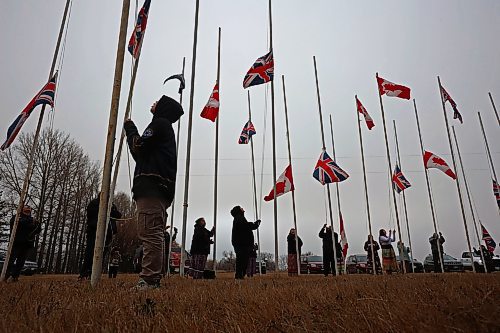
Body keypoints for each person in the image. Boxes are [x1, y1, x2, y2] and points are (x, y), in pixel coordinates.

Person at [124, 95, 183, 290]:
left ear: (164, 108)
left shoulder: (160, 123)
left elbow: (138, 147)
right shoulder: (163, 126)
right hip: (157, 188)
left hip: (152, 187)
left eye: (158, 101)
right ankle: (151, 279)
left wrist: (130, 128)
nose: (153, 103)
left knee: (150, 233)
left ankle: (149, 281)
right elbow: (140, 154)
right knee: (151, 232)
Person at [79, 194, 121, 280]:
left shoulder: (112, 205)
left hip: (107, 234)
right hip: (94, 233)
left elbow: (118, 215)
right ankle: (85, 273)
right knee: (90, 253)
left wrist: (110, 210)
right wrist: (105, 211)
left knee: (102, 254)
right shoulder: (94, 203)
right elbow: (92, 216)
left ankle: (95, 274)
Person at [5, 205, 41, 282]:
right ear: (22, 210)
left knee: (21, 262)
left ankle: (15, 277)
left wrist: (37, 224)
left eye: (29, 211)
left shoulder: (32, 219)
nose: (28, 212)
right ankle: (6, 276)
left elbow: (37, 230)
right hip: (15, 243)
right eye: (26, 211)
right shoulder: (16, 217)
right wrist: (30, 222)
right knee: (10, 261)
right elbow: (19, 223)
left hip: (26, 244)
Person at [231, 206, 261, 279]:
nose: (243, 209)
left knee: (242, 261)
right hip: (242, 244)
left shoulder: (239, 218)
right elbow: (246, 226)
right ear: (239, 210)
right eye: (241, 208)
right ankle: (239, 276)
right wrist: (254, 224)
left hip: (242, 244)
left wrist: (254, 225)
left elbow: (246, 226)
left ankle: (240, 275)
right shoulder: (239, 218)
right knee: (242, 261)